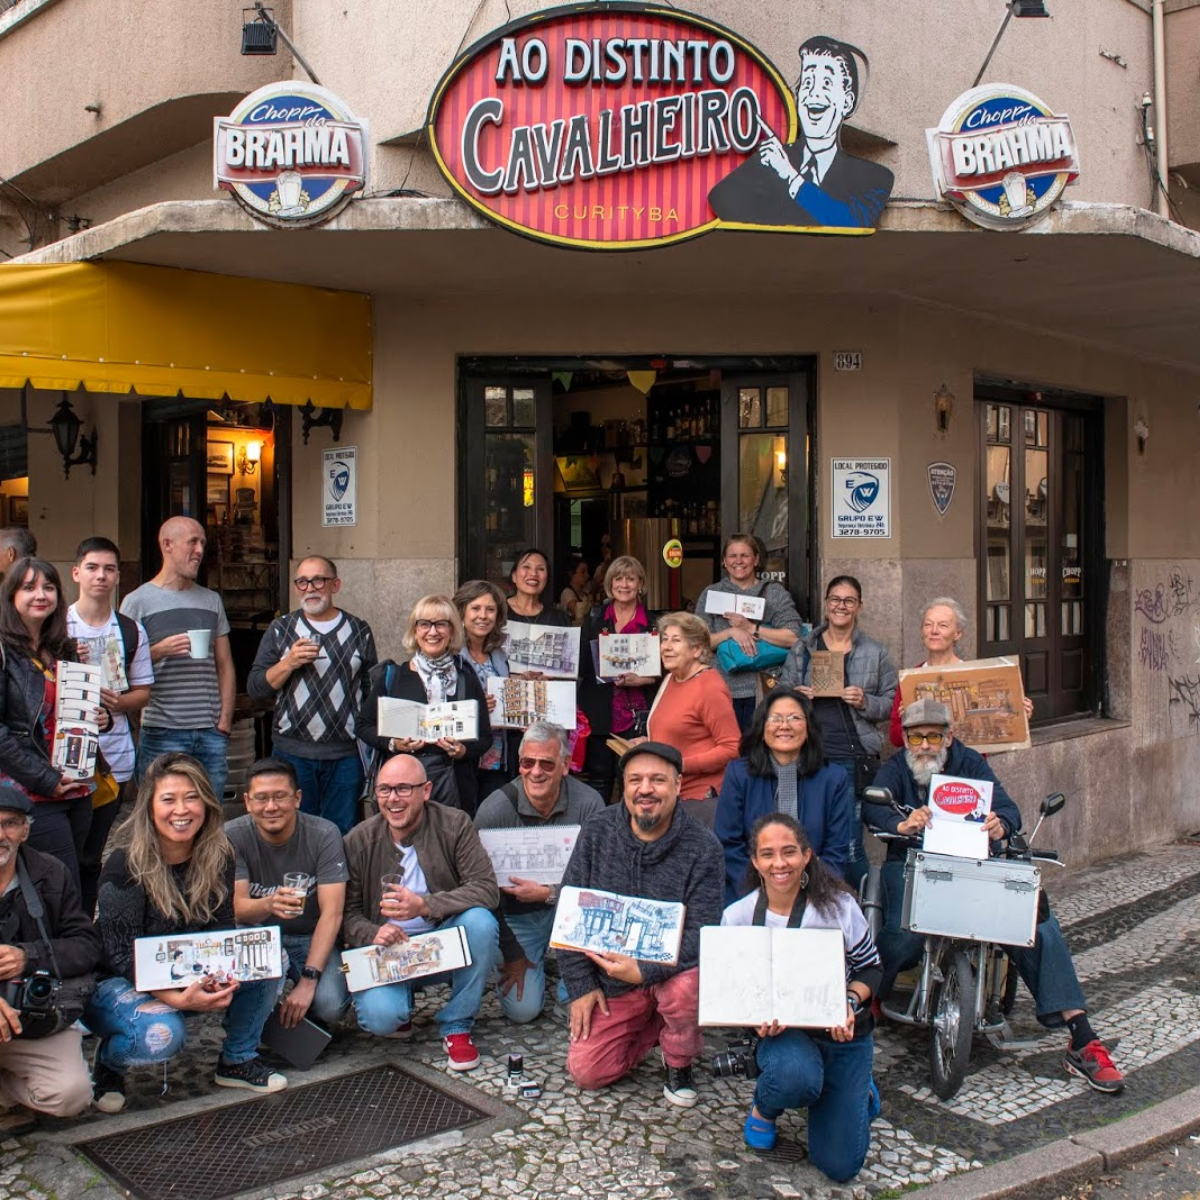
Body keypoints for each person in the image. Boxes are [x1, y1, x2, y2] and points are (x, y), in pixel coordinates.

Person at [863, 699, 1125, 1094]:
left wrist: (1000, 824)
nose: (926, 745)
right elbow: (872, 804)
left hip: (973, 866)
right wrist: (901, 823)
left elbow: (1007, 807)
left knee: (1032, 921)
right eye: (917, 736)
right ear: (906, 740)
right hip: (915, 862)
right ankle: (872, 995)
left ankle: (1082, 1035)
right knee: (904, 932)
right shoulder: (897, 768)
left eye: (935, 735)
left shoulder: (969, 762)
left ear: (948, 737)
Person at [87, 753, 288, 1114]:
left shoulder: (218, 854)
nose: (182, 809)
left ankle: (237, 1059)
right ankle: (110, 1064)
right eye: (168, 799)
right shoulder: (125, 864)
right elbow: (121, 956)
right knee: (164, 1035)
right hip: (119, 982)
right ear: (150, 807)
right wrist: (180, 1000)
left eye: (191, 797)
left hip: (189, 970)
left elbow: (223, 928)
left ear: (207, 804)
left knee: (271, 958)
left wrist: (220, 977)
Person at [560, 741, 724, 1108]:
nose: (645, 789)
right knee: (588, 1072)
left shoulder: (704, 847)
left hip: (673, 972)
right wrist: (581, 985)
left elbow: (703, 934)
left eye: (657, 780)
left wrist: (645, 971)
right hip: (614, 979)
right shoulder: (597, 830)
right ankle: (655, 1029)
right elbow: (570, 912)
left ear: (678, 785)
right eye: (635, 780)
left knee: (684, 992)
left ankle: (679, 1058)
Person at [722, 813, 880, 1177]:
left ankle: (860, 1090)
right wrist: (752, 1017)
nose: (780, 863)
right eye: (768, 854)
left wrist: (850, 1002)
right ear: (755, 861)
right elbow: (733, 986)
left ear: (807, 855)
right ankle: (764, 1110)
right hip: (785, 1035)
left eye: (789, 852)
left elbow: (871, 967)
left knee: (840, 1166)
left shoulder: (839, 907)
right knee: (796, 1077)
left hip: (842, 1035)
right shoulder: (737, 917)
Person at [341, 753, 499, 1070]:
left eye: (403, 789)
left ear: (425, 791)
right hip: (388, 951)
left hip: (441, 940)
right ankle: (402, 1001)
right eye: (384, 789)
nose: (393, 799)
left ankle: (457, 1024)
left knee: (481, 922)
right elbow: (344, 914)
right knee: (382, 1021)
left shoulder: (454, 824)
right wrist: (374, 932)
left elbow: (486, 888)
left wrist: (426, 905)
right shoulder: (358, 840)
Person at [474, 721, 605, 1023]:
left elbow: (603, 879)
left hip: (573, 915)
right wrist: (513, 955)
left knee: (580, 1004)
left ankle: (570, 989)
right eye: (527, 763)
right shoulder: (494, 810)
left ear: (565, 765)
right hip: (516, 916)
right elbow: (479, 892)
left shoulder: (590, 804)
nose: (536, 772)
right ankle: (525, 962)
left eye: (547, 763)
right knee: (523, 1011)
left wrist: (550, 894)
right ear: (519, 765)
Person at [779, 576, 897, 892]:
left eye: (848, 600)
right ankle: (812, 904)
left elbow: (892, 703)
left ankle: (859, 907)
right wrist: (796, 697)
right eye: (835, 599)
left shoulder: (875, 651)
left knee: (847, 843)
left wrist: (865, 701)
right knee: (802, 834)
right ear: (826, 603)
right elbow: (779, 695)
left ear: (859, 606)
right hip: (804, 754)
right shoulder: (804, 647)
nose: (840, 606)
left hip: (849, 756)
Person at [247, 555, 378, 835]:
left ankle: (336, 881)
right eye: (302, 582)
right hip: (292, 752)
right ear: (296, 588)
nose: (310, 588)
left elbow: (370, 691)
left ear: (335, 585)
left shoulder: (359, 630)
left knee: (342, 831)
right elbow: (256, 688)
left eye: (319, 580)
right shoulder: (281, 629)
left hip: (345, 754)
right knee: (294, 830)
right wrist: (289, 663)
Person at [707, 35, 894, 229]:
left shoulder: (874, 178)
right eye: (807, 82)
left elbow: (849, 223)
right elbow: (719, 200)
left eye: (827, 84)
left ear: (846, 102)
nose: (814, 93)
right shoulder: (771, 159)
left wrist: (790, 176)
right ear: (797, 99)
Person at [0, 786, 101, 1135]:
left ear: (25, 830)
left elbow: (86, 946)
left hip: (32, 1017)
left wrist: (28, 956)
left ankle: (5, 1093)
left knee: (69, 1095)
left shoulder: (50, 872)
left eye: (9, 824)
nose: (1, 835)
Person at [226, 757, 351, 1028]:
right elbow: (236, 907)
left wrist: (308, 980)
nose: (271, 807)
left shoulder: (324, 834)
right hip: (257, 934)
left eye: (280, 797)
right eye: (261, 798)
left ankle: (305, 1019)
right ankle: (255, 1019)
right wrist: (269, 904)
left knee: (331, 1004)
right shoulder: (233, 835)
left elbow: (332, 913)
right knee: (246, 993)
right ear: (247, 801)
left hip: (309, 935)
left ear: (297, 798)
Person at [0, 557, 102, 886]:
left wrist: (101, 717)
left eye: (48, 587)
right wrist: (46, 779)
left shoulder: (63, 650)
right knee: (61, 880)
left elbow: (74, 713)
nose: (40, 594)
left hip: (78, 785)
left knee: (85, 875)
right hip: (34, 791)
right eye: (28, 587)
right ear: (11, 596)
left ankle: (81, 938)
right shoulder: (4, 651)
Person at [67, 536, 154, 916]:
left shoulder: (131, 630)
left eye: (108, 569)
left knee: (91, 855)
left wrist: (116, 704)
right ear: (76, 573)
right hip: (63, 761)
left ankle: (85, 926)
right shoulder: (58, 625)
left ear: (118, 575)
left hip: (113, 759)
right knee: (60, 852)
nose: (100, 576)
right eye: (92, 567)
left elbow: (143, 692)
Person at [121, 517, 235, 800]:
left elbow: (225, 665)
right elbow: (118, 666)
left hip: (210, 731)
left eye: (203, 543)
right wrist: (158, 651)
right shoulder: (137, 602)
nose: (200, 550)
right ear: (167, 545)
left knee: (211, 815)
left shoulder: (211, 600)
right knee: (157, 815)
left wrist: (224, 720)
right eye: (193, 542)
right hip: (161, 730)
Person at [715, 688, 855, 904]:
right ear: (762, 728)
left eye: (795, 718)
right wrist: (762, 893)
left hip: (815, 895)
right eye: (775, 719)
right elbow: (728, 842)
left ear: (808, 728)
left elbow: (836, 850)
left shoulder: (834, 778)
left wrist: (810, 894)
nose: (784, 725)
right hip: (749, 894)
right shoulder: (738, 774)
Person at [359, 595, 492, 815]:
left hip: (455, 786)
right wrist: (394, 744)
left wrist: (463, 750)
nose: (433, 632)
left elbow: (485, 737)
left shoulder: (466, 678)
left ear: (452, 631)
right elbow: (363, 725)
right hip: (402, 788)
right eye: (424, 624)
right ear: (415, 631)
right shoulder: (394, 677)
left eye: (441, 624)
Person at [888, 597, 1034, 747]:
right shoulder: (911, 679)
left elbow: (995, 735)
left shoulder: (975, 675)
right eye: (928, 625)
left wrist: (1019, 717)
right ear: (921, 631)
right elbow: (895, 739)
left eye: (943, 625)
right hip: (923, 764)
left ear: (957, 633)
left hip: (966, 766)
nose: (934, 631)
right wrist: (908, 722)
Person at [697, 534, 802, 731]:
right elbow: (697, 644)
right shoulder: (711, 594)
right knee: (727, 754)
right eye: (732, 556)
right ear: (724, 561)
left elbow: (793, 638)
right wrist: (730, 632)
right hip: (720, 690)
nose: (738, 561)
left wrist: (751, 628)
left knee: (759, 754)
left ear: (756, 560)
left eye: (745, 555)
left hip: (764, 690)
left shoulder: (774, 593)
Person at [644, 613, 740, 826]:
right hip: (669, 795)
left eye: (676, 640)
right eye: (665, 639)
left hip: (698, 801)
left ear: (697, 650)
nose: (666, 647)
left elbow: (732, 747)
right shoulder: (672, 678)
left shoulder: (709, 687)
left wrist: (679, 764)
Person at [577, 556, 659, 803]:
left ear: (640, 584)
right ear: (610, 584)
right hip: (599, 711)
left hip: (636, 715)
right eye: (618, 578)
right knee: (599, 781)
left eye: (631, 579)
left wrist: (642, 680)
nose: (624, 585)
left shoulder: (654, 623)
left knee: (633, 781)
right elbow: (581, 665)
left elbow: (665, 671)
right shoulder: (594, 619)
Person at [453, 580, 516, 794]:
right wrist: (476, 707)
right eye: (476, 608)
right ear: (461, 612)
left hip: (497, 757)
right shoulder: (449, 655)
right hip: (462, 755)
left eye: (490, 610)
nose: (483, 615)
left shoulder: (498, 655)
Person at [505, 549, 570, 631]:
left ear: (546, 579)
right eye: (526, 567)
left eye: (541, 569)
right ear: (514, 576)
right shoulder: (497, 611)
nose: (533, 573)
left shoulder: (559, 619)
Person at [558, 557, 591, 625]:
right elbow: (578, 611)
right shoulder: (567, 593)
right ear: (572, 574)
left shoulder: (585, 593)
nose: (587, 575)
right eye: (582, 572)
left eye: (587, 572)